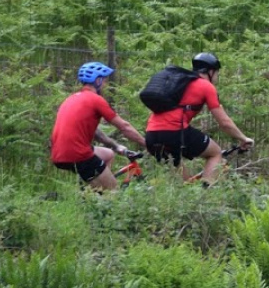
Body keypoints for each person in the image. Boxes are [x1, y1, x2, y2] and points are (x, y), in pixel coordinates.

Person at [143, 52, 254, 184]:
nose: (217, 77)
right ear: (210, 72)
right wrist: (243, 138)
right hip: (175, 132)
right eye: (217, 73)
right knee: (215, 153)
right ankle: (205, 193)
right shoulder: (206, 86)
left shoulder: (181, 82)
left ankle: (189, 199)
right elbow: (224, 123)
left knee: (184, 184)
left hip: (151, 135)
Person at [50, 62, 147, 191]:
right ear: (98, 80)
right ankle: (105, 196)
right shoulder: (96, 99)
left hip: (58, 154)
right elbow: (124, 126)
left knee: (108, 154)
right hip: (79, 154)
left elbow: (95, 132)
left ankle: (97, 191)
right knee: (114, 193)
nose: (105, 84)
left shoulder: (71, 99)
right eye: (105, 80)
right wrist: (147, 144)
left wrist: (116, 146)